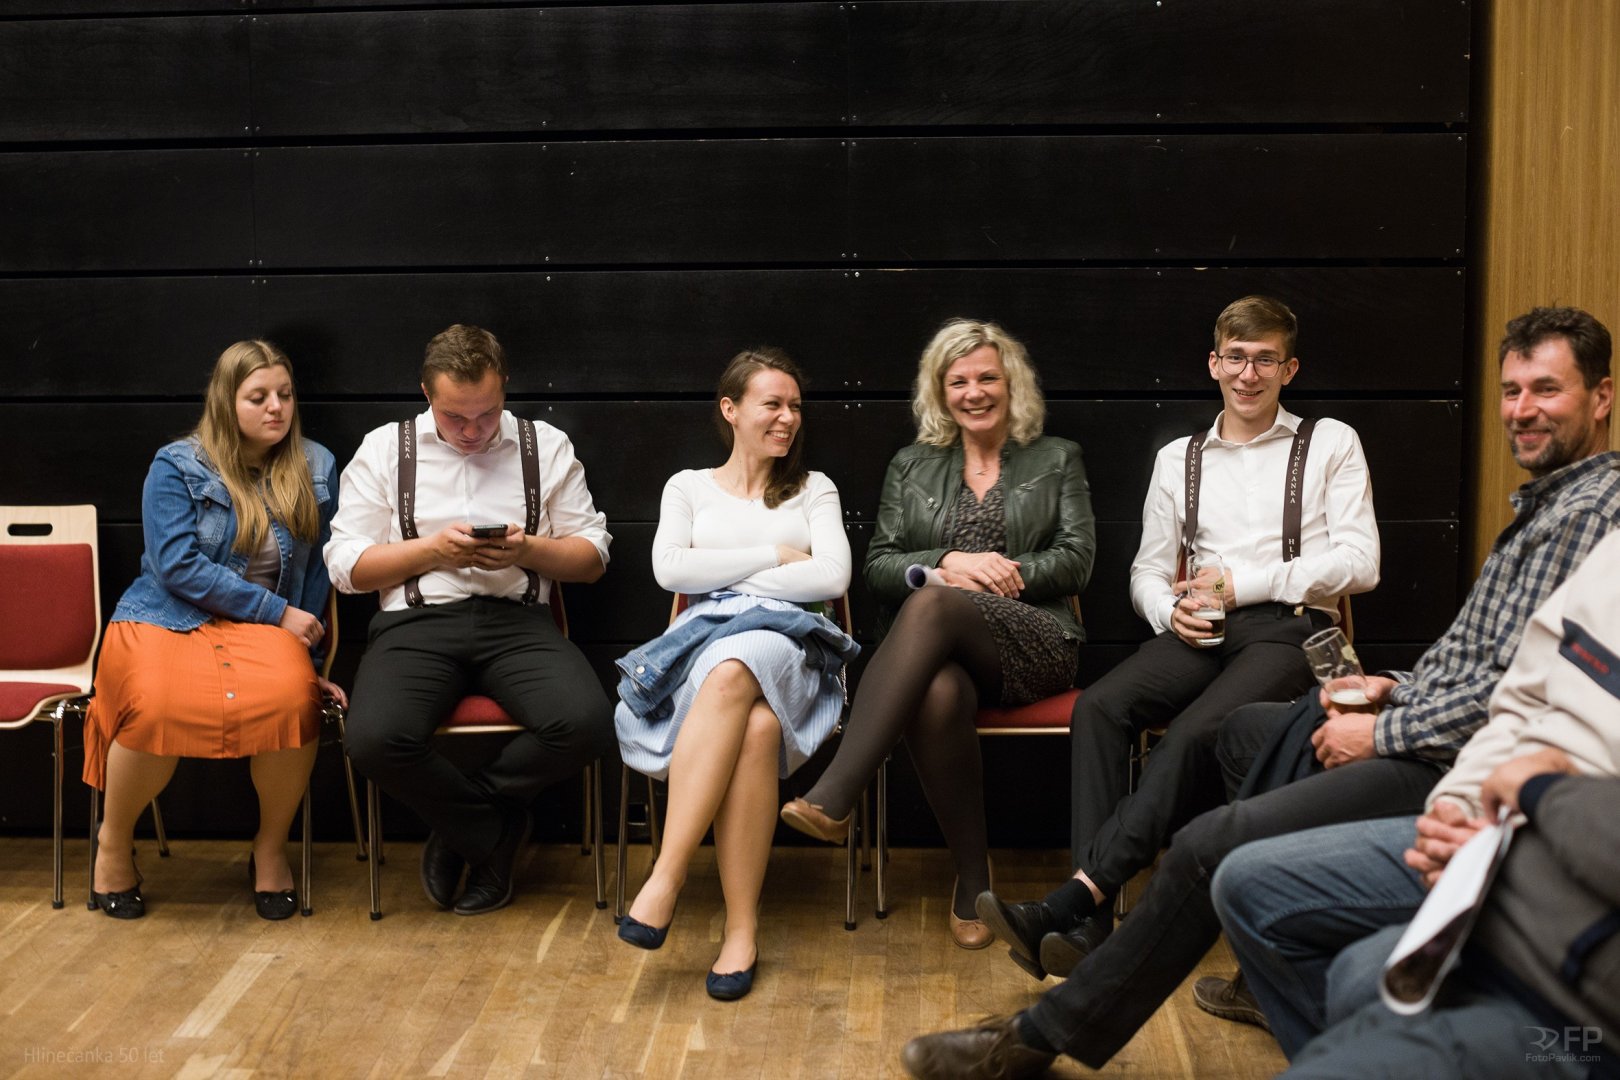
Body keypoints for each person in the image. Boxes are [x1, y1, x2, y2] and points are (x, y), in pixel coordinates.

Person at [898, 305, 1620, 1079]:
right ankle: (1100, 920)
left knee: (1206, 756)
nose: (1522, 409)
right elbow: (1502, 672)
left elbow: (1380, 578)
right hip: (1223, 642)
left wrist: (1361, 706)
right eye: (1512, 391)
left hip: (1303, 640)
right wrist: (1383, 683)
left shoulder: (1573, 516)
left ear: (1602, 397)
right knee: (1137, 713)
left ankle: (1078, 931)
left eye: (1546, 390)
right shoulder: (1541, 512)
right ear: (1213, 364)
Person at [976, 294, 1380, 977]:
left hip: (1292, 630)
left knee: (1195, 733)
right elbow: (1148, 570)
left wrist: (1243, 584)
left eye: (1265, 360)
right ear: (1213, 363)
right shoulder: (1178, 459)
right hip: (1201, 631)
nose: (1248, 374)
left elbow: (1362, 564)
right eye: (1236, 358)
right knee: (1101, 707)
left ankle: (1072, 903)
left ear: (1289, 369)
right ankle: (1090, 927)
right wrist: (1169, 613)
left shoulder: (1330, 442)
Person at [1214, 524, 1620, 1061]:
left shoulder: (1588, 513)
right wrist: (1457, 804)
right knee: (1246, 763)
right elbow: (1511, 701)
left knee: (1357, 972)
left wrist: (1532, 795)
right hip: (1494, 815)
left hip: (1557, 860)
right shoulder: (1605, 553)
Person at [778, 318, 1096, 948]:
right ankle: (974, 880)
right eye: (959, 381)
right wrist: (946, 562)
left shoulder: (1057, 457)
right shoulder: (912, 465)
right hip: (940, 654)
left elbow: (1077, 559)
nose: (974, 392)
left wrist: (993, 575)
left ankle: (837, 792)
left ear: (1011, 383)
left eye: (987, 378)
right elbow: (880, 565)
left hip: (1037, 639)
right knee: (938, 690)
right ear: (940, 392)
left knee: (934, 604)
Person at [328, 324, 614, 917]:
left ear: (504, 386)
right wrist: (433, 551)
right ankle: (492, 835)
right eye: (454, 416)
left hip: (519, 623)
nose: (472, 430)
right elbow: (347, 568)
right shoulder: (384, 449)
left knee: (586, 723)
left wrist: (527, 550)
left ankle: (466, 826)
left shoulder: (545, 446)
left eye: (486, 414)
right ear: (425, 393)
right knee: (372, 739)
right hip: (416, 625)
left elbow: (591, 559)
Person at [614, 348, 856, 1001]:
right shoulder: (688, 487)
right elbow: (670, 569)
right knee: (752, 726)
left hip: (794, 645)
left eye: (795, 406)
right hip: (703, 645)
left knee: (734, 669)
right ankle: (741, 930)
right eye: (772, 404)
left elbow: (832, 578)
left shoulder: (816, 488)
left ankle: (666, 876)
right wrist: (775, 555)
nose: (788, 418)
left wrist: (721, 574)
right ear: (730, 409)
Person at [84, 340, 342, 921]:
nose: (276, 408)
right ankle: (113, 843)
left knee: (293, 702)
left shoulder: (317, 465)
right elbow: (177, 567)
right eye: (258, 397)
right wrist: (277, 613)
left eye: (285, 394)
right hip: (166, 618)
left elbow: (318, 573)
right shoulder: (177, 464)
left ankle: (270, 849)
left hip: (265, 631)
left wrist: (311, 665)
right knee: (155, 706)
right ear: (226, 401)